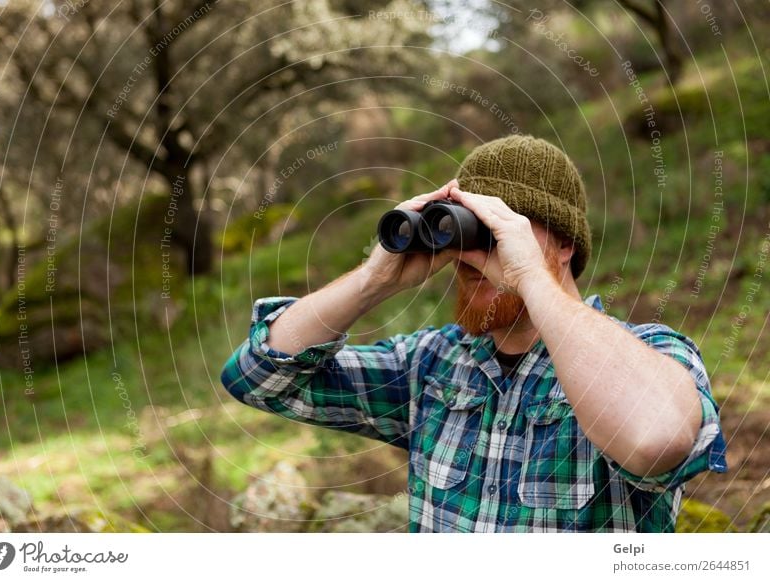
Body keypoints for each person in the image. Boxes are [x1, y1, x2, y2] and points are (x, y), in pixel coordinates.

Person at [221, 134, 727, 532]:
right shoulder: (431, 365)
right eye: (469, 228)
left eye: (504, 230)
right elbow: (258, 377)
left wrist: (530, 277)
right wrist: (372, 281)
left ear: (566, 244)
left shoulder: (653, 352)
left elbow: (658, 439)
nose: (476, 254)